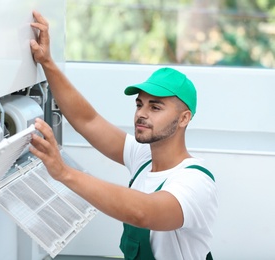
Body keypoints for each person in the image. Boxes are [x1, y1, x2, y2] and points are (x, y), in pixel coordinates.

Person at [29, 10, 218, 260]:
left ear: (184, 118)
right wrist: (47, 62)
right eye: (140, 104)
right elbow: (88, 121)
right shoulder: (144, 158)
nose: (142, 113)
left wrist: (64, 172)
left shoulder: (195, 182)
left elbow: (142, 212)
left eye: (156, 107)